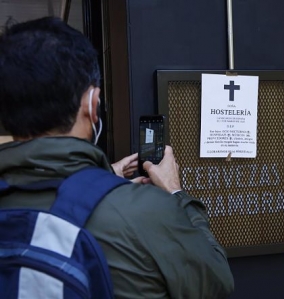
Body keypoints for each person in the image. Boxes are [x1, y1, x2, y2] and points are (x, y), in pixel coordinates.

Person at [0, 16, 234, 298]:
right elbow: (217, 284)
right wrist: (175, 193)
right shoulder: (147, 212)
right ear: (92, 103)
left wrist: (103, 179)